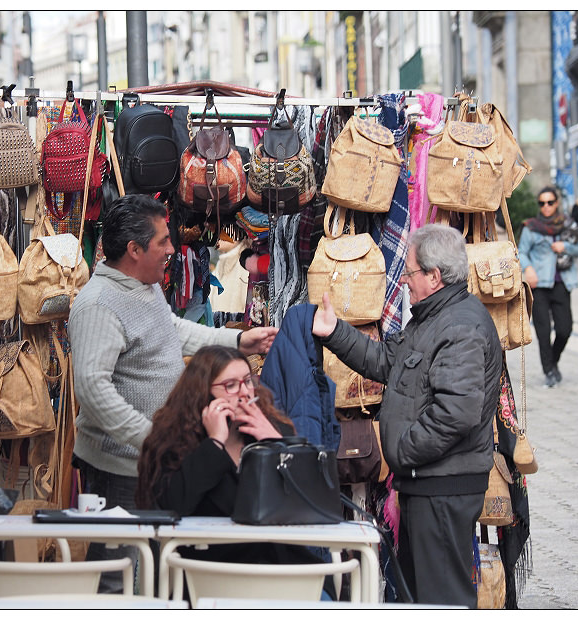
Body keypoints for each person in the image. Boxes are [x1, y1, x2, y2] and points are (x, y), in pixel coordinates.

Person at [67, 193, 278, 593]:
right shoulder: (98, 304)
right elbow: (94, 391)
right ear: (133, 249)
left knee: (153, 567)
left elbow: (173, 330)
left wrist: (236, 340)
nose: (171, 248)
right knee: (119, 573)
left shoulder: (143, 287)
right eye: (163, 241)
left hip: (155, 461)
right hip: (121, 468)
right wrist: (153, 442)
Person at [312, 224, 502, 608]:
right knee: (420, 598)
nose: (405, 280)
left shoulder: (460, 326)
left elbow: (456, 414)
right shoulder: (433, 318)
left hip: (443, 488)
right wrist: (334, 332)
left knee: (441, 600)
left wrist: (401, 451)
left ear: (434, 277)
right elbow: (387, 362)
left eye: (411, 272)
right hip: (428, 484)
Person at [135, 345, 336, 600]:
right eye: (230, 385)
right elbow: (170, 505)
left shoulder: (273, 429)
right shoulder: (172, 442)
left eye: (247, 381)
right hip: (208, 573)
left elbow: (310, 504)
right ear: (203, 393)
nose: (244, 392)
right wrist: (215, 443)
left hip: (278, 567)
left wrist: (276, 443)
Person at [518, 186, 578, 388]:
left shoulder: (567, 225)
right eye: (542, 203)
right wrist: (528, 269)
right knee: (543, 332)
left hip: (562, 283)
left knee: (565, 329)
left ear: (556, 203)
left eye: (550, 202)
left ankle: (553, 362)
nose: (546, 206)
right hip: (539, 285)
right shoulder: (531, 227)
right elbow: (521, 251)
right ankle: (548, 371)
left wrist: (566, 247)